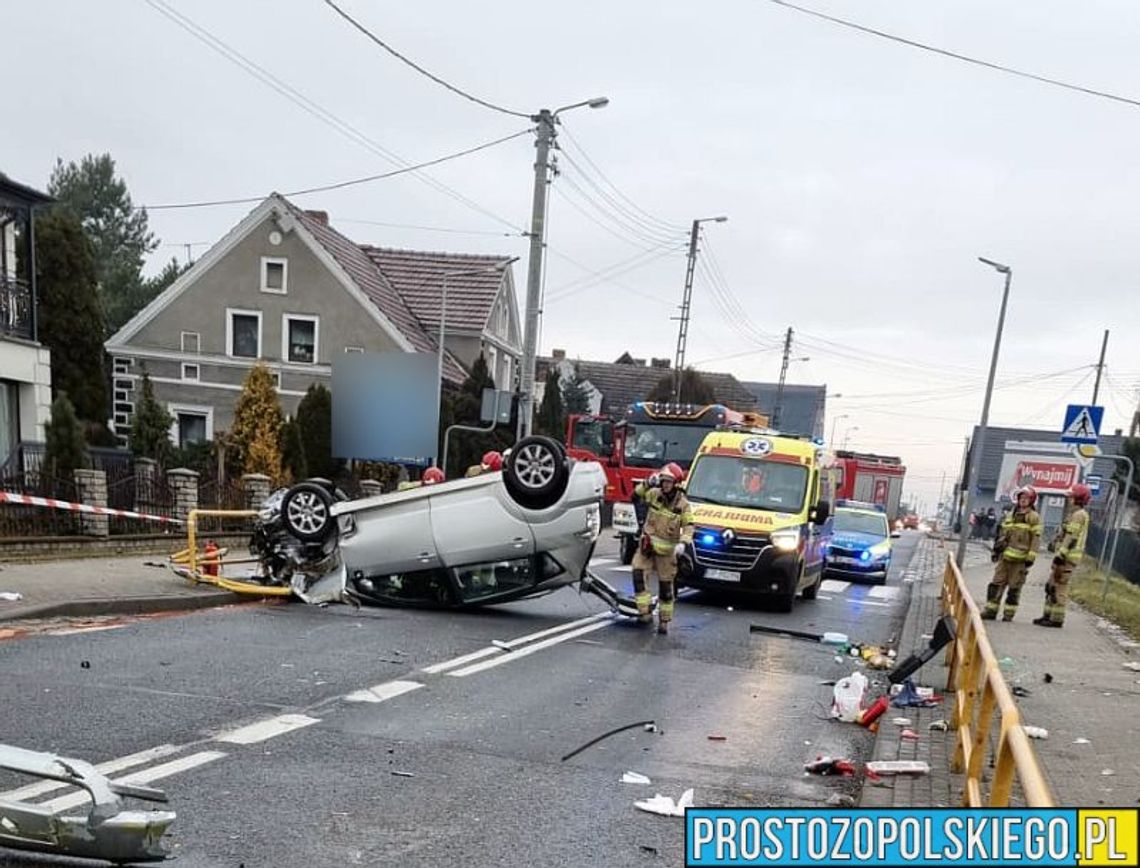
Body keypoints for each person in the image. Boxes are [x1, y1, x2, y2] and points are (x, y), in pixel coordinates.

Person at [631, 463, 693, 635]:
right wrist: (647, 483)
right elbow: (635, 496)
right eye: (663, 481)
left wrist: (683, 543)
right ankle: (644, 613)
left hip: (667, 553)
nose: (665, 485)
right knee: (638, 574)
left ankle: (664, 621)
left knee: (666, 589)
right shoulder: (654, 494)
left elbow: (689, 526)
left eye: (669, 482)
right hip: (647, 548)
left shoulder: (683, 505)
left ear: (676, 484)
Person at [1034, 484, 1091, 629]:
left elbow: (1072, 537)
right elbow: (1065, 533)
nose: (1069, 499)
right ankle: (1047, 615)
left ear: (1078, 499)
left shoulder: (1078, 515)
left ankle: (1056, 619)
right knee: (1051, 585)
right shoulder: (1075, 513)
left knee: (1059, 586)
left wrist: (1061, 554)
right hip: (1066, 556)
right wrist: (1055, 542)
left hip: (1067, 558)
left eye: (1071, 497)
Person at [983, 487, 1041, 622]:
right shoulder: (1011, 515)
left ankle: (1008, 614)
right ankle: (990, 611)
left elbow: (1036, 538)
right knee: (996, 584)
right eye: (1021, 498)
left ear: (1031, 500)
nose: (1023, 500)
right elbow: (1003, 534)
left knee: (1014, 588)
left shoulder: (1033, 517)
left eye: (1026, 498)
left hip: (1020, 561)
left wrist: (1031, 557)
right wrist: (996, 550)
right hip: (1005, 558)